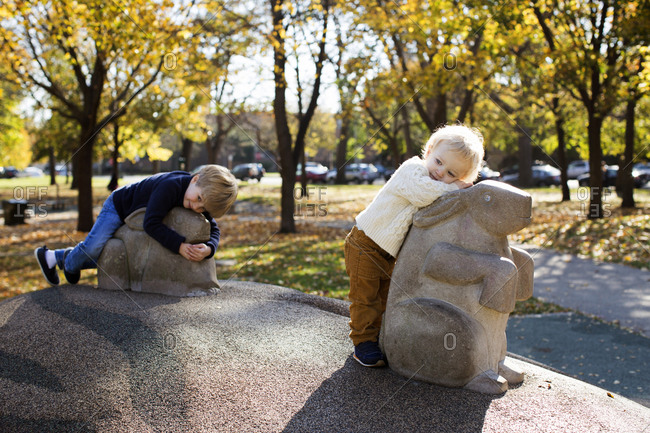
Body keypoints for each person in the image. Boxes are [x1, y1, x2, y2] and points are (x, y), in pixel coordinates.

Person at [344, 124, 485, 367]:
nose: (441, 173)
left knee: (385, 297)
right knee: (365, 296)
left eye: (452, 173)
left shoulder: (437, 186)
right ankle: (363, 342)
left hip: (388, 253)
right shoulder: (412, 170)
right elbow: (424, 193)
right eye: (439, 162)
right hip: (365, 243)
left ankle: (378, 337)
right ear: (429, 151)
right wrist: (455, 188)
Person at [35, 164, 238, 286]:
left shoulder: (197, 195)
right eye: (198, 198)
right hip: (119, 206)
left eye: (202, 208)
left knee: (113, 255)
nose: (196, 206)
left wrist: (210, 248)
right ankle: (70, 262)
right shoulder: (171, 187)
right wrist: (180, 246)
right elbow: (151, 224)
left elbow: (214, 227)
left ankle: (54, 257)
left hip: (137, 216)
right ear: (195, 180)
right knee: (94, 247)